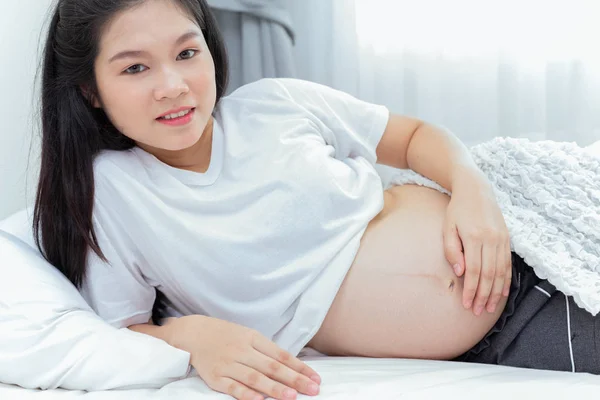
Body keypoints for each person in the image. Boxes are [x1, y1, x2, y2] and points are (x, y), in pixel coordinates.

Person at [33, 0, 599, 399]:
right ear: (90, 90)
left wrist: (473, 191)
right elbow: (121, 334)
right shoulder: (109, 194)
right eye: (135, 67)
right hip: (504, 327)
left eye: (187, 53)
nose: (174, 85)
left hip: (522, 243)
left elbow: (415, 137)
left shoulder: (275, 104)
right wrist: (195, 334)